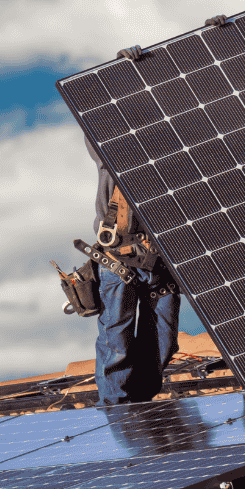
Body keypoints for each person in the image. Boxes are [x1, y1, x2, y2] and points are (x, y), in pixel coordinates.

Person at [88, 147, 180, 405]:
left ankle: (141, 407)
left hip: (161, 263)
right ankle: (116, 411)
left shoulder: (175, 160)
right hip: (119, 260)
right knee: (117, 348)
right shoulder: (113, 148)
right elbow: (103, 137)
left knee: (164, 343)